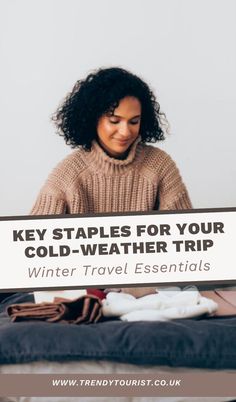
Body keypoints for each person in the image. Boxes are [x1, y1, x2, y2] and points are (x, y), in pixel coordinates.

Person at [31, 67, 192, 297]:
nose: (125, 131)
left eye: (134, 121)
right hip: (88, 293)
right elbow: (33, 254)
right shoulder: (68, 174)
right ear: (93, 117)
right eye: (114, 120)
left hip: (147, 292)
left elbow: (187, 248)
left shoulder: (159, 165)